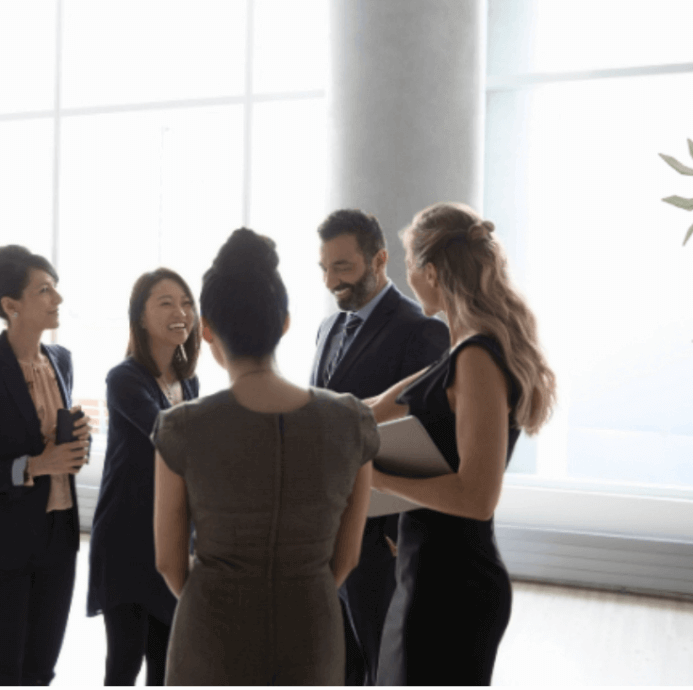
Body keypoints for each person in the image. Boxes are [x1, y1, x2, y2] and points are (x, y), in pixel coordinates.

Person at [153, 228, 378, 685]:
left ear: (208, 328)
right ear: (285, 323)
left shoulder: (183, 427)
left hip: (212, 632)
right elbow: (347, 558)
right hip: (311, 628)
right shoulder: (350, 421)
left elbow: (169, 563)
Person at [365, 202, 557, 685]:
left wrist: (379, 479)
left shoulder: (476, 358)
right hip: (427, 574)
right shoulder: (458, 355)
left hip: (452, 585)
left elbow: (477, 497)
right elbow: (370, 409)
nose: (408, 278)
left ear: (430, 272)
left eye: (409, 266)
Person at [312, 209, 449, 685]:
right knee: (336, 663)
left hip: (382, 539)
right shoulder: (327, 329)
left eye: (342, 267)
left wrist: (397, 529)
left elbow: (430, 438)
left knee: (382, 663)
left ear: (380, 260)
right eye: (325, 268)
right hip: (324, 532)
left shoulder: (422, 331)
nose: (331, 281)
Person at [0, 245, 91, 686]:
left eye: (56, 288)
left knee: (41, 672)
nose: (57, 299)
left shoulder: (61, 360)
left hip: (58, 541)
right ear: (11, 306)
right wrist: (33, 465)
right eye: (44, 290)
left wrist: (75, 442)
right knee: (1, 673)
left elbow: (48, 443)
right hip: (1, 550)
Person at [87, 268, 201, 686]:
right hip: (127, 538)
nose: (181, 312)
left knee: (166, 662)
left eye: (187, 303)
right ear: (140, 316)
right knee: (124, 662)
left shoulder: (188, 383)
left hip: (171, 535)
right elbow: (172, 440)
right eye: (166, 302)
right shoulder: (124, 379)